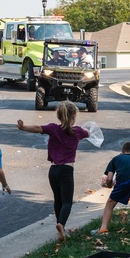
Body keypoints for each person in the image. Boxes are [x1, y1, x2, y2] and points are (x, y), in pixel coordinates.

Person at [16, 100, 90, 242]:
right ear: (74, 116)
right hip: (67, 171)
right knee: (67, 202)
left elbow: (38, 127)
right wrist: (86, 131)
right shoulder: (78, 131)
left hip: (53, 170)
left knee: (58, 200)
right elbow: (89, 133)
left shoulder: (53, 129)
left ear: (58, 116)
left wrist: (23, 127)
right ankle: (61, 224)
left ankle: (59, 225)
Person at [92, 141, 130, 235]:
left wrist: (109, 185)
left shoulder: (116, 158)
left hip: (125, 179)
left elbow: (109, 178)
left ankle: (103, 229)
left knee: (110, 203)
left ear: (121, 152)